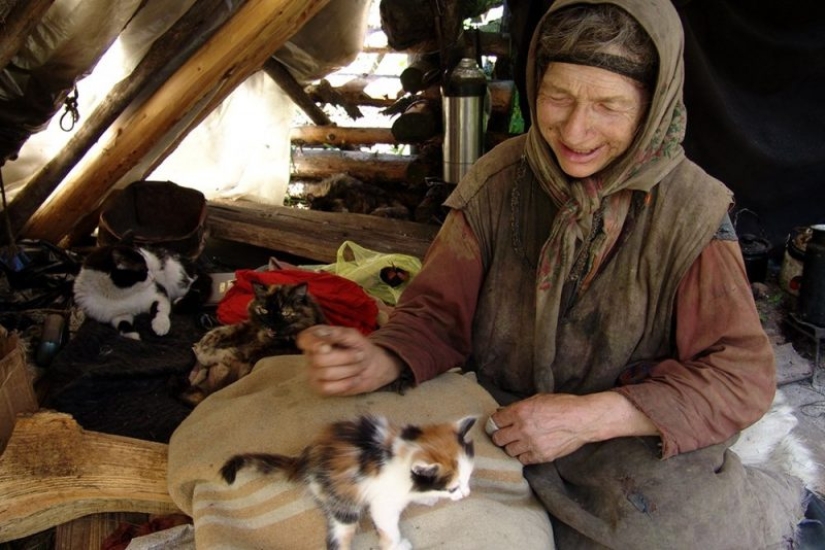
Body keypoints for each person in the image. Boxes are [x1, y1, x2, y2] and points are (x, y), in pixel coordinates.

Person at [296, 0, 808, 547]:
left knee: (695, 534)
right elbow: (437, 314)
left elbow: (740, 377)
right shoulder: (500, 181)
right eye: (557, 97)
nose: (575, 130)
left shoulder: (691, 211)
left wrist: (593, 418)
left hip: (627, 443)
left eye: (609, 106)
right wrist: (384, 355)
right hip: (497, 418)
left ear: (652, 107)